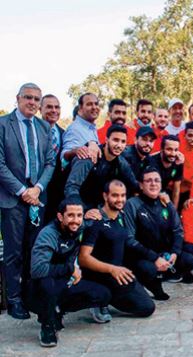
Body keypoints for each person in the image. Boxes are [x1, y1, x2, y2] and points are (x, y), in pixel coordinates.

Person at [0, 83, 56, 319]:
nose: (32, 102)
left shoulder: (44, 127)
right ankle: (13, 300)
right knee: (13, 252)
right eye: (28, 98)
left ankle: (29, 295)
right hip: (13, 199)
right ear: (18, 98)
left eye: (36, 99)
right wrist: (23, 190)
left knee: (33, 249)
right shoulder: (3, 125)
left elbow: (50, 162)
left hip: (37, 199)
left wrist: (38, 188)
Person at [28, 197, 111, 347]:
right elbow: (37, 270)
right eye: (71, 215)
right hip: (41, 285)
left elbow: (103, 216)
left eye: (79, 215)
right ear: (60, 217)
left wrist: (96, 212)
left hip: (65, 280)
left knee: (103, 294)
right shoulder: (48, 234)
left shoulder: (79, 226)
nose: (76, 220)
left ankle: (58, 310)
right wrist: (71, 269)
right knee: (48, 285)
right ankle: (47, 325)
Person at [79, 180, 156, 320]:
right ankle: (100, 299)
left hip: (118, 272)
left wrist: (154, 257)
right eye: (115, 195)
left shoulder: (120, 216)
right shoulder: (95, 220)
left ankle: (110, 295)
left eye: (122, 195)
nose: (120, 199)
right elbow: (83, 258)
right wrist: (112, 269)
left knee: (147, 305)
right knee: (146, 308)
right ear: (105, 196)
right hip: (102, 274)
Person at [122, 167, 193, 300]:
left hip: (164, 253)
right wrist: (154, 258)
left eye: (157, 180)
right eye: (148, 181)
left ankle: (166, 274)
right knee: (148, 270)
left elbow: (178, 230)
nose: (153, 184)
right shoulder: (132, 205)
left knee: (189, 260)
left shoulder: (165, 203)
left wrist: (174, 253)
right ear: (141, 185)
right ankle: (150, 282)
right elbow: (129, 239)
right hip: (143, 256)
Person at [64, 125, 139, 210]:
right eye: (115, 140)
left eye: (123, 142)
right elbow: (71, 187)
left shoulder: (121, 162)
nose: (119, 145)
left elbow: (134, 185)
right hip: (73, 208)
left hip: (97, 207)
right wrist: (82, 211)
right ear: (106, 140)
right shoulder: (90, 156)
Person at [40, 94, 66, 225]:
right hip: (38, 190)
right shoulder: (33, 131)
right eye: (49, 107)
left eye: (57, 107)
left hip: (58, 193)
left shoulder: (65, 134)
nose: (54, 110)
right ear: (40, 109)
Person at [61, 92, 101, 168]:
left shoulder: (92, 128)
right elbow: (63, 160)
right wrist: (75, 151)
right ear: (80, 109)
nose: (94, 107)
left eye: (96, 104)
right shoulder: (74, 129)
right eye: (89, 104)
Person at [148, 135, 184, 208]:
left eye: (176, 150)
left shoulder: (178, 162)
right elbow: (146, 188)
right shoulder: (150, 162)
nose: (173, 153)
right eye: (169, 149)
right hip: (148, 193)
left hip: (163, 192)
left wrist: (174, 212)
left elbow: (176, 190)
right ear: (161, 149)